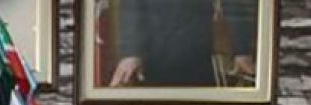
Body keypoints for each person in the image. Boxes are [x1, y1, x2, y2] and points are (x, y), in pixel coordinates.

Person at [106, 0, 257, 88]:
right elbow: (131, 5)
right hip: (151, 60)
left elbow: (234, 4)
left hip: (195, 55)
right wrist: (131, 51)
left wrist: (242, 49)